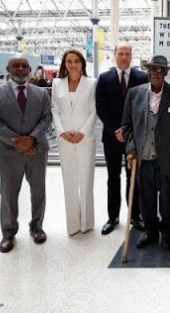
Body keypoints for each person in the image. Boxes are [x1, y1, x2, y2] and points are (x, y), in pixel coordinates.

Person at [0, 55, 52, 253]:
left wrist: (30, 139)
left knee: (38, 191)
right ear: (8, 68)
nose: (20, 69)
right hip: (7, 152)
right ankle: (8, 232)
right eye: (16, 66)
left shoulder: (41, 94)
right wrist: (17, 142)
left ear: (29, 69)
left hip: (36, 149)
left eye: (24, 66)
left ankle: (37, 226)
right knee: (8, 193)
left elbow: (47, 118)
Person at [122, 55, 170, 250]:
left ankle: (167, 233)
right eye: (152, 69)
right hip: (143, 158)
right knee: (146, 200)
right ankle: (150, 231)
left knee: (168, 200)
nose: (155, 73)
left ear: (166, 73)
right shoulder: (134, 94)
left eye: (159, 70)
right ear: (148, 71)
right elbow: (127, 126)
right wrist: (131, 149)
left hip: (167, 158)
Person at [96, 41, 148, 235]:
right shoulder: (104, 78)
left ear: (131, 56)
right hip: (111, 138)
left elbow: (143, 108)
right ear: (114, 54)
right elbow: (100, 107)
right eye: (121, 53)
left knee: (133, 178)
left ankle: (135, 216)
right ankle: (113, 217)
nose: (124, 57)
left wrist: (128, 132)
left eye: (127, 54)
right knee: (112, 178)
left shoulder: (141, 78)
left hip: (133, 139)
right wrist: (116, 129)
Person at [51, 50, 97, 236]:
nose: (73, 65)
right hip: (65, 139)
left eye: (76, 61)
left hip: (85, 138)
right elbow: (54, 109)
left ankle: (87, 223)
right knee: (68, 181)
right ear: (64, 64)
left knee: (86, 181)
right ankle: (73, 225)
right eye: (69, 61)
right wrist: (61, 132)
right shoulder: (56, 83)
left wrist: (83, 133)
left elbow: (94, 111)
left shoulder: (92, 83)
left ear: (82, 64)